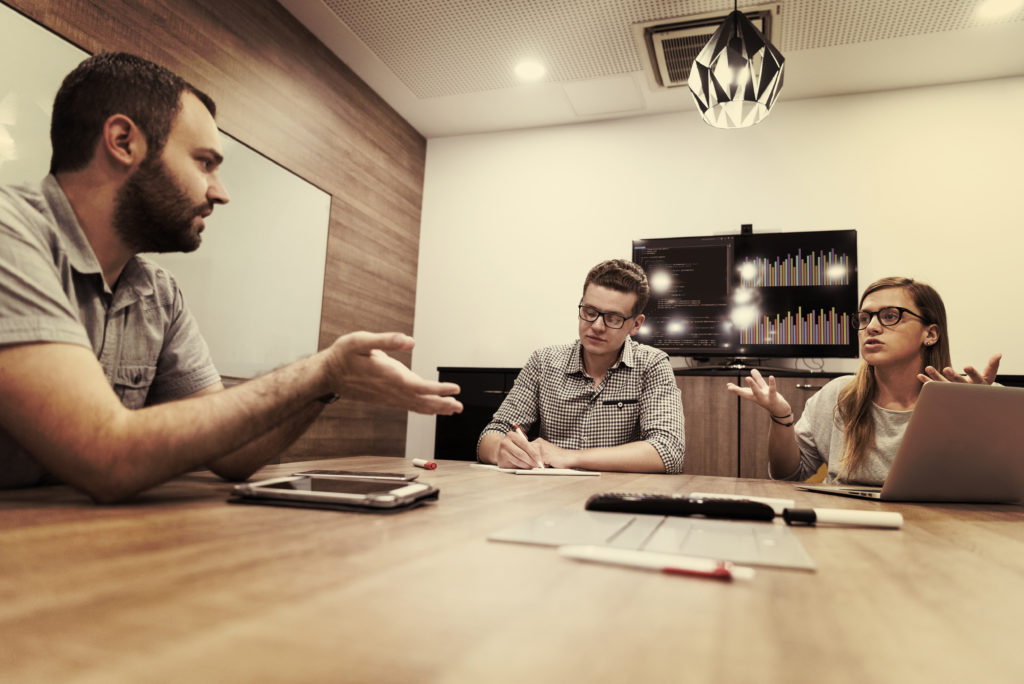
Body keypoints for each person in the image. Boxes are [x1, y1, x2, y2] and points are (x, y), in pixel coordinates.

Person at [0, 53, 461, 502]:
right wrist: (320, 369)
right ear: (123, 141)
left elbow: (233, 454)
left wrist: (327, 383)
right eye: (204, 162)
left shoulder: (157, 293)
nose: (220, 193)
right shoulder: (9, 233)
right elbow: (107, 455)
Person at [726, 276, 1001, 484]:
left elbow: (997, 489)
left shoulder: (976, 398)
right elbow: (789, 475)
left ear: (930, 334)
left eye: (890, 316)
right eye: (864, 318)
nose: (871, 327)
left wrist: (982, 420)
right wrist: (781, 416)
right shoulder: (838, 394)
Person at [477, 259, 684, 473]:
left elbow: (668, 451)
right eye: (590, 312)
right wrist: (501, 450)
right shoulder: (544, 362)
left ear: (636, 324)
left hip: (616, 494)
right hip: (549, 496)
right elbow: (492, 434)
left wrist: (568, 457)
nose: (596, 326)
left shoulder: (652, 365)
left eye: (613, 318)